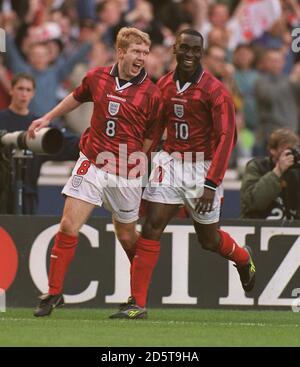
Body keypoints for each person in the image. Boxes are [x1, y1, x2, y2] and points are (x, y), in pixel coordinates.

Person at [110, 29, 256, 319]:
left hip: (203, 167)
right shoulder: (163, 85)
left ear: (201, 53)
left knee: (208, 240)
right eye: (184, 49)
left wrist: (212, 183)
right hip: (171, 161)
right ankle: (137, 303)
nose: (189, 55)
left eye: (195, 50)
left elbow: (228, 137)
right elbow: (154, 128)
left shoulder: (215, 91)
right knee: (152, 226)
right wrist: (139, 162)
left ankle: (242, 257)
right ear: (174, 49)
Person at [28, 27, 162, 317]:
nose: (142, 58)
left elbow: (151, 137)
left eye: (145, 53)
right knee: (67, 225)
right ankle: (54, 293)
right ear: (121, 52)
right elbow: (77, 96)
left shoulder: (152, 93)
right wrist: (47, 117)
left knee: (127, 236)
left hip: (127, 171)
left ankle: (138, 298)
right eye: (137, 52)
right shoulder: (98, 77)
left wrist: (137, 161)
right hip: (92, 160)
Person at [0, 72, 79, 214]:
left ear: (33, 93)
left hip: (27, 194)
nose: (24, 94)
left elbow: (66, 143)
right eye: (20, 88)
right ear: (11, 90)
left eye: (28, 90)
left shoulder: (39, 126)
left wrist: (94, 142)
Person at [241, 128, 300, 219]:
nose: (292, 155)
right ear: (273, 150)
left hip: (291, 228)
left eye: (294, 150)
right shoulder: (257, 166)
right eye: (288, 150)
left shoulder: (296, 171)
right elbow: (253, 202)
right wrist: (278, 171)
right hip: (258, 226)